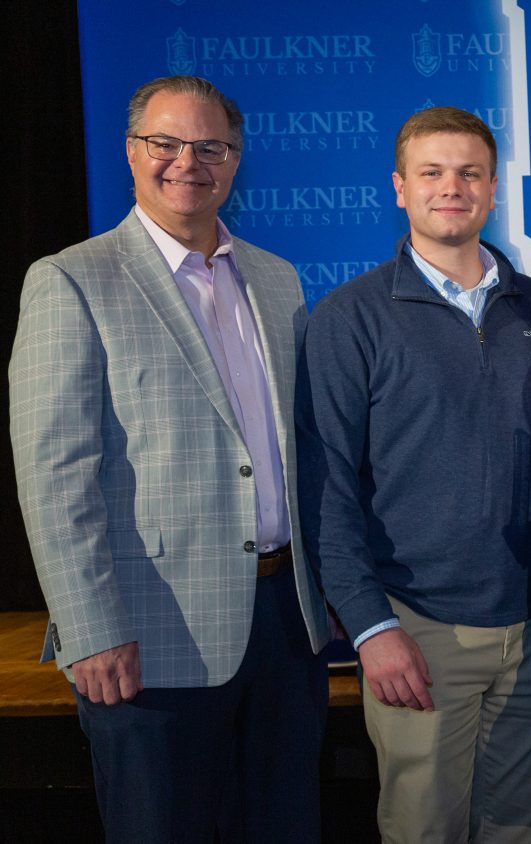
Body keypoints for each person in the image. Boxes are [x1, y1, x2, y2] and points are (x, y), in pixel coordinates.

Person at [8, 75, 329, 843]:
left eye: (210, 146)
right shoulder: (70, 280)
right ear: (131, 152)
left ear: (235, 159)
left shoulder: (278, 279)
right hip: (148, 640)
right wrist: (89, 627)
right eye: (166, 143)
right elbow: (55, 476)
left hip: (287, 626)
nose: (188, 161)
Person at [296, 106, 531, 843]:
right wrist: (372, 625)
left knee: (522, 829)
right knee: (424, 831)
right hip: (418, 627)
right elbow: (328, 486)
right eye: (432, 173)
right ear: (400, 189)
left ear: (493, 189)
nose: (453, 187)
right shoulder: (351, 317)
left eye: (470, 173)